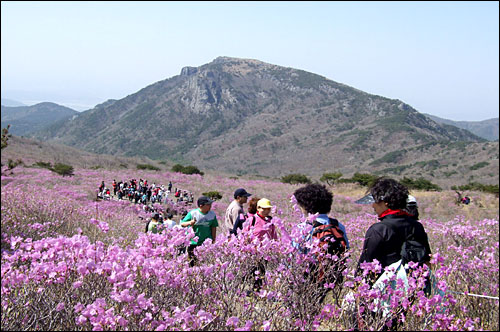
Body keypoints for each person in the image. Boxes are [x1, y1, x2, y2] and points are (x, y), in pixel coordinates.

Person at [357, 178, 431, 275]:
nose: (373, 206)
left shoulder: (378, 230)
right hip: (415, 284)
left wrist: (357, 285)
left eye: (375, 201)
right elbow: (427, 258)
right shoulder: (417, 226)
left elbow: (366, 264)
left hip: (386, 286)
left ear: (385, 203)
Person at [293, 184, 350, 303]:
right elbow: (346, 249)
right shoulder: (337, 225)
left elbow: (294, 254)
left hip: (308, 274)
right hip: (330, 274)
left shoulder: (303, 227)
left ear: (305, 206)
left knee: (305, 308)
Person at [180, 196, 218, 266]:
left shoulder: (212, 214)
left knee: (204, 263)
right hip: (193, 243)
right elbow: (182, 224)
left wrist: (213, 240)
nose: (210, 206)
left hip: (206, 243)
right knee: (192, 263)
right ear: (201, 205)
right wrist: (190, 222)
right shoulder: (193, 213)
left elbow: (213, 227)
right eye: (208, 204)